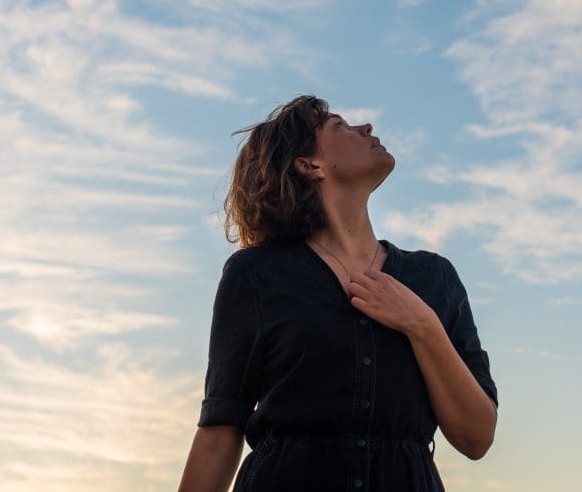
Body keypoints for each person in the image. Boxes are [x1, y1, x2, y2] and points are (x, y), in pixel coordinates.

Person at [178, 94, 499, 492]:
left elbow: (477, 437)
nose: (366, 129)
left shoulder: (434, 278)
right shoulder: (256, 274)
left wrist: (421, 325)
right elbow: (219, 433)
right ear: (309, 164)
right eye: (340, 127)